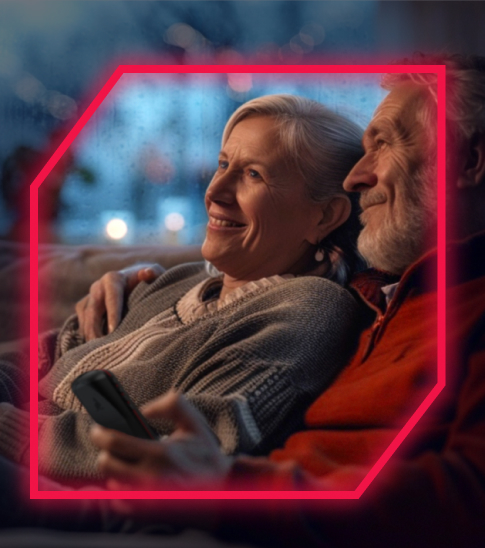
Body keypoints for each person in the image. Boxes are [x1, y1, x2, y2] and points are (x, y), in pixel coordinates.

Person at [70, 54, 484, 547]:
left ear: (469, 161)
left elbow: (468, 499)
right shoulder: (377, 294)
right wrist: (150, 287)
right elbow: (262, 262)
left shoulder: (337, 310)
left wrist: (228, 489)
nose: (357, 178)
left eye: (387, 145)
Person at [0, 94, 366, 483]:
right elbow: (45, 352)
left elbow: (181, 452)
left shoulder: (307, 309)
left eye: (253, 174)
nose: (215, 191)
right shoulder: (178, 281)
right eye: (223, 164)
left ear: (325, 215)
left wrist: (11, 428)